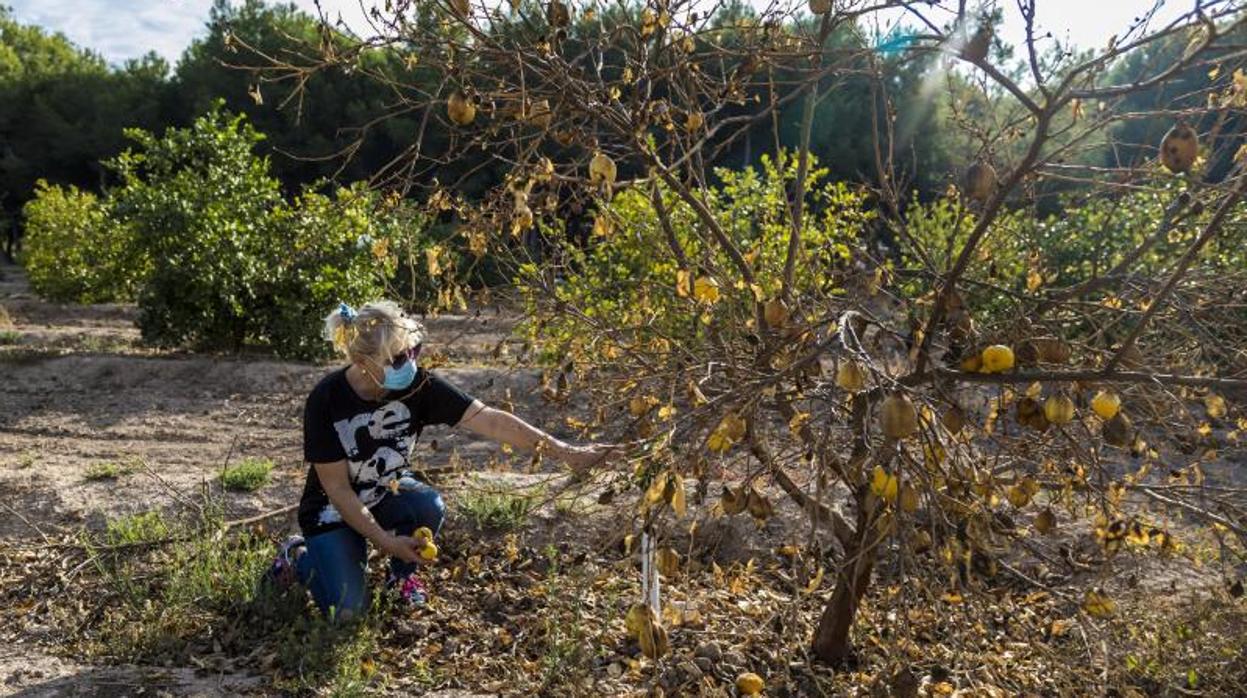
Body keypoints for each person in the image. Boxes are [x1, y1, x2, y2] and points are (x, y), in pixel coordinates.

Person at [265, 300, 610, 620]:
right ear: (362, 362)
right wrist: (386, 543)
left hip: (386, 492)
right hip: (332, 513)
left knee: (428, 505)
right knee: (348, 613)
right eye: (397, 358)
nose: (409, 363)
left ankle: (401, 581)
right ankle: (298, 558)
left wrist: (568, 454)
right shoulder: (326, 399)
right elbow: (338, 490)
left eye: (413, 351)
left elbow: (490, 419)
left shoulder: (419, 386)